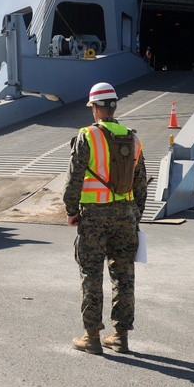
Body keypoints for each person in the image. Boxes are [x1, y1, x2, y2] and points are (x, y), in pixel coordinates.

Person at [63, 82, 147, 354]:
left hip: (94, 217)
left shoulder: (87, 136)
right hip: (126, 216)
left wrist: (71, 210)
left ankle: (92, 337)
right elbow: (141, 184)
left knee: (91, 273)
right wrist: (135, 216)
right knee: (123, 276)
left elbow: (75, 178)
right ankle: (120, 337)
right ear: (114, 106)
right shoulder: (133, 138)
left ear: (95, 108)